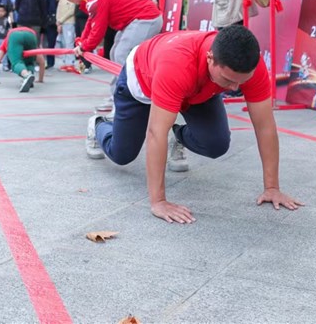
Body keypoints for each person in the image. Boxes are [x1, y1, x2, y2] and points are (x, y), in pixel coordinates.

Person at [86, 26, 303, 223]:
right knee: (122, 154)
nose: (235, 87)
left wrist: (272, 188)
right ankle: (99, 125)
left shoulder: (249, 68)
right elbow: (155, 133)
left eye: (241, 81)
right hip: (142, 83)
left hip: (198, 89)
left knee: (216, 144)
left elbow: (265, 125)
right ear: (210, 58)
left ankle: (178, 136)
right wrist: (159, 202)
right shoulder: (177, 64)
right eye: (229, 80)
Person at [58, 0, 163, 112]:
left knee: (122, 55)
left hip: (146, 18)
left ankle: (126, 103)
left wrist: (85, 47)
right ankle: (116, 95)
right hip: (132, 21)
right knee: (114, 54)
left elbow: (98, 29)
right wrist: (82, 42)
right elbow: (92, 21)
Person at [0, 26, 46, 93]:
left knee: (16, 62)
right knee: (29, 62)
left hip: (15, 35)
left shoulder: (6, 41)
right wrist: (40, 79)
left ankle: (26, 75)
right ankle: (30, 74)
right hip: (31, 34)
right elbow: (42, 62)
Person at [42, 0, 60, 69]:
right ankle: (50, 62)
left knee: (68, 42)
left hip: (64, 20)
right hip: (51, 20)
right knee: (50, 42)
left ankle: (70, 62)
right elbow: (45, 7)